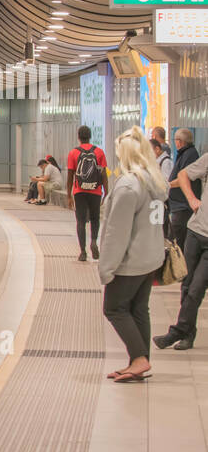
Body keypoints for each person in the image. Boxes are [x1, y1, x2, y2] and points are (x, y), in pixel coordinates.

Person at [98, 127, 169, 382]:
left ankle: (138, 358)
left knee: (114, 308)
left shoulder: (129, 186)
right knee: (139, 309)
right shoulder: (156, 182)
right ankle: (139, 361)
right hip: (150, 258)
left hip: (130, 262)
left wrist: (106, 267)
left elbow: (117, 233)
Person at [155, 144, 208, 352]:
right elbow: (184, 175)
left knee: (196, 288)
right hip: (196, 232)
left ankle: (177, 331)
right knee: (186, 286)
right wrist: (192, 199)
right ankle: (188, 334)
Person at [67, 125, 108, 262]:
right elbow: (103, 174)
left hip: (79, 191)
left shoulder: (73, 153)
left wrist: (69, 195)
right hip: (95, 190)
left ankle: (83, 252)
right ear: (90, 136)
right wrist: (106, 192)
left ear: (79, 137)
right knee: (95, 219)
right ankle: (94, 241)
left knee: (81, 220)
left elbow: (70, 175)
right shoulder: (99, 152)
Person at [167, 128, 201, 251]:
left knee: (175, 240)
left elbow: (185, 176)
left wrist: (168, 185)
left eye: (175, 140)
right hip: (179, 206)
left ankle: (179, 268)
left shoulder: (190, 154)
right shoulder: (185, 154)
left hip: (183, 206)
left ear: (180, 141)